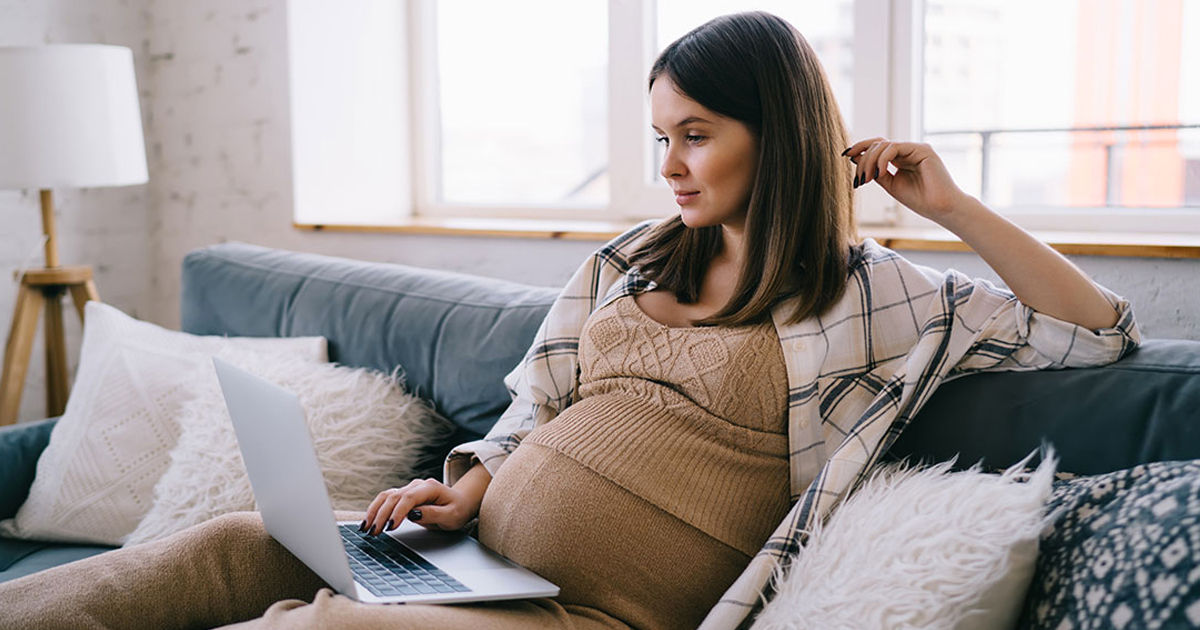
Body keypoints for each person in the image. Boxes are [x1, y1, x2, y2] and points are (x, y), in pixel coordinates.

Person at [0, 10, 1139, 630]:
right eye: (659, 135)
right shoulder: (627, 259)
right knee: (230, 546)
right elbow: (533, 408)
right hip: (472, 559)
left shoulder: (874, 296)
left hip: (585, 618)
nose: (670, 163)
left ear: (776, 130)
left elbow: (1097, 336)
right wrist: (470, 487)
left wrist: (948, 207)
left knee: (331, 628)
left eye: (695, 132)